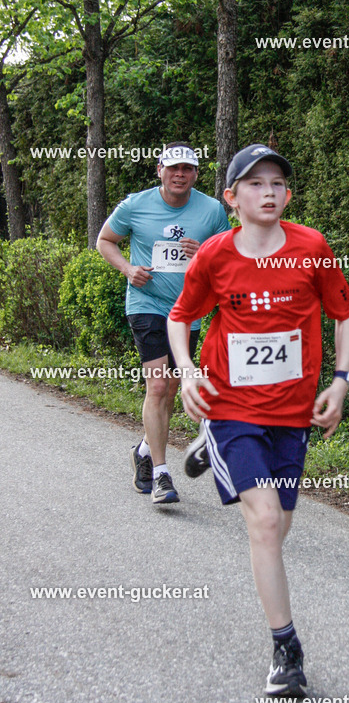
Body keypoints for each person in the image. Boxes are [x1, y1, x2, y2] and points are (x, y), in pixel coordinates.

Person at [167, 143, 349, 696]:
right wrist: (187, 373)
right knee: (267, 522)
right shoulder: (215, 255)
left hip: (292, 413)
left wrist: (340, 381)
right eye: (254, 184)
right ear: (231, 197)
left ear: (288, 195)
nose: (267, 192)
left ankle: (210, 451)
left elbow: (346, 314)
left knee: (280, 527)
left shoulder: (311, 248)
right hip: (230, 405)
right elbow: (180, 317)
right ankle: (286, 650)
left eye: (276, 183)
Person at [96, 142, 230, 504]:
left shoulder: (212, 210)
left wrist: (204, 253)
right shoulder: (135, 205)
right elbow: (105, 240)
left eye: (187, 168)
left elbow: (228, 256)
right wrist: (128, 269)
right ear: (160, 171)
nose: (179, 174)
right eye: (173, 168)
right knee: (157, 386)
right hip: (147, 303)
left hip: (188, 311)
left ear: (196, 174)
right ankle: (161, 475)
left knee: (170, 389)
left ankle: (143, 449)